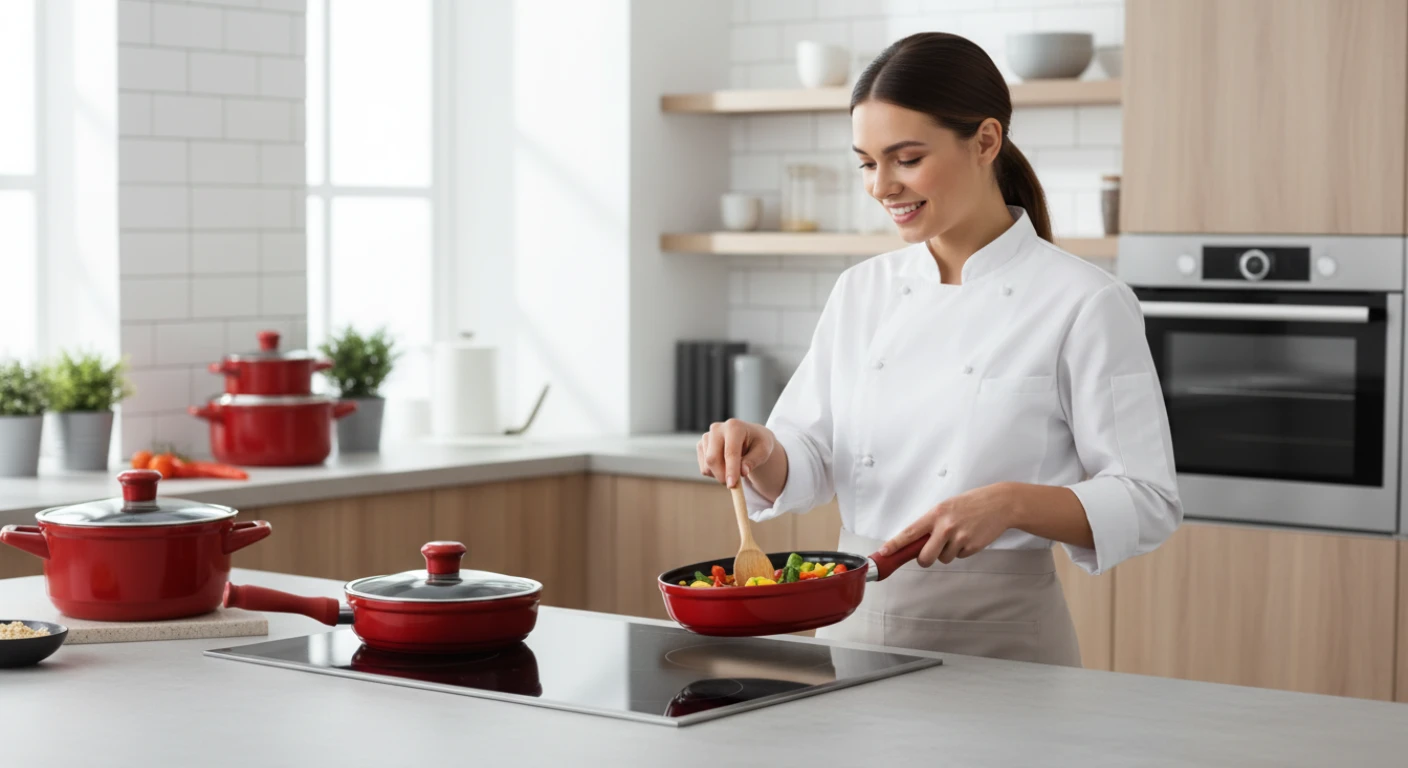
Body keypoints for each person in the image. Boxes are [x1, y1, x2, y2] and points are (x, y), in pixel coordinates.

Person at [695, 32, 1181, 667]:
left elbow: (1148, 497)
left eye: (907, 158)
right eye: (867, 163)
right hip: (854, 621)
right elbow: (810, 457)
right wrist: (761, 451)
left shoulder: (1084, 300)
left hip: (1004, 643)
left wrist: (1010, 503)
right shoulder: (860, 291)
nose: (882, 186)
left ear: (985, 141)